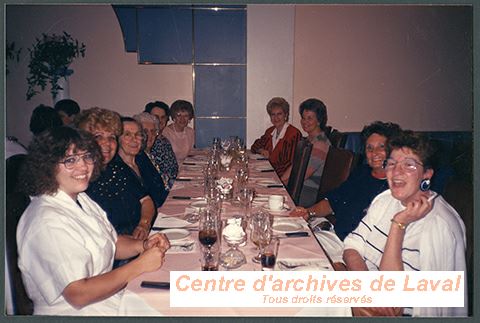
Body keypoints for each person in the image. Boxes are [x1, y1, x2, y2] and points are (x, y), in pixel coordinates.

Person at [16, 126, 170, 315]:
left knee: (192, 296)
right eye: (70, 160)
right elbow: (78, 294)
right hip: (79, 312)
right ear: (47, 166)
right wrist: (139, 265)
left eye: (87, 157)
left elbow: (112, 242)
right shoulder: (46, 221)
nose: (83, 166)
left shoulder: (80, 199)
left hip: (109, 299)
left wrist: (143, 245)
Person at [343, 130, 467, 317]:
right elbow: (351, 246)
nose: (396, 171)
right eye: (392, 163)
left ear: (427, 174)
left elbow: (391, 297)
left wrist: (398, 225)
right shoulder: (385, 200)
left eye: (409, 165)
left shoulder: (438, 226)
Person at [290, 121, 402, 241]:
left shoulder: (394, 188)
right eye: (369, 148)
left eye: (381, 147)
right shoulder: (361, 173)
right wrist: (308, 212)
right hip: (334, 234)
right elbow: (333, 201)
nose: (374, 153)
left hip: (355, 246)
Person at [74, 108, 156, 240]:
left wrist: (143, 225)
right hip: (115, 255)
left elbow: (146, 201)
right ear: (83, 141)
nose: (107, 143)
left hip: (137, 242)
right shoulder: (79, 180)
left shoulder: (117, 168)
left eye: (111, 137)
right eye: (98, 137)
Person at [281, 98, 331, 206]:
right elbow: (295, 167)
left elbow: (301, 175)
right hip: (300, 187)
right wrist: (279, 181)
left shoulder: (320, 144)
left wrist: (279, 186)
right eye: (303, 118)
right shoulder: (308, 140)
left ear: (319, 120)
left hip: (308, 192)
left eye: (310, 118)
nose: (305, 122)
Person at [118, 117, 168, 210]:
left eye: (138, 134)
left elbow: (160, 190)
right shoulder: (115, 168)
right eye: (127, 135)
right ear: (118, 139)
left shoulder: (142, 158)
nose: (134, 139)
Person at [251, 97, 301, 177]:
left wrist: (269, 172)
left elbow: (289, 164)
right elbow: (254, 146)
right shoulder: (270, 131)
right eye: (273, 114)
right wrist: (261, 150)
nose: (276, 118)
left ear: (286, 115)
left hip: (281, 178)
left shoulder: (293, 134)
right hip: (268, 173)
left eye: (279, 114)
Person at [134, 111, 178, 189]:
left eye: (153, 131)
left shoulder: (149, 155)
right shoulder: (137, 158)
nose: (149, 136)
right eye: (145, 132)